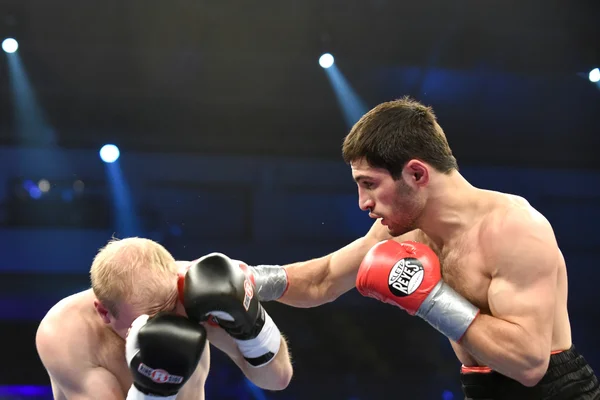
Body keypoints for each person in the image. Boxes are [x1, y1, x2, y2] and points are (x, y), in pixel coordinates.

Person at [247, 97, 599, 399]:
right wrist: (248, 279)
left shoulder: (515, 229)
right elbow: (322, 279)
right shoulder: (400, 232)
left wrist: (430, 298)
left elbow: (530, 364)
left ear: (416, 174)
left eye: (370, 184)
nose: (362, 203)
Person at [36, 237, 293, 400]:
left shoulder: (194, 296)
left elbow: (277, 379)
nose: (168, 325)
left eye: (170, 308)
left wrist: (255, 330)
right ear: (104, 312)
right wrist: (153, 395)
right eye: (149, 318)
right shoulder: (64, 332)